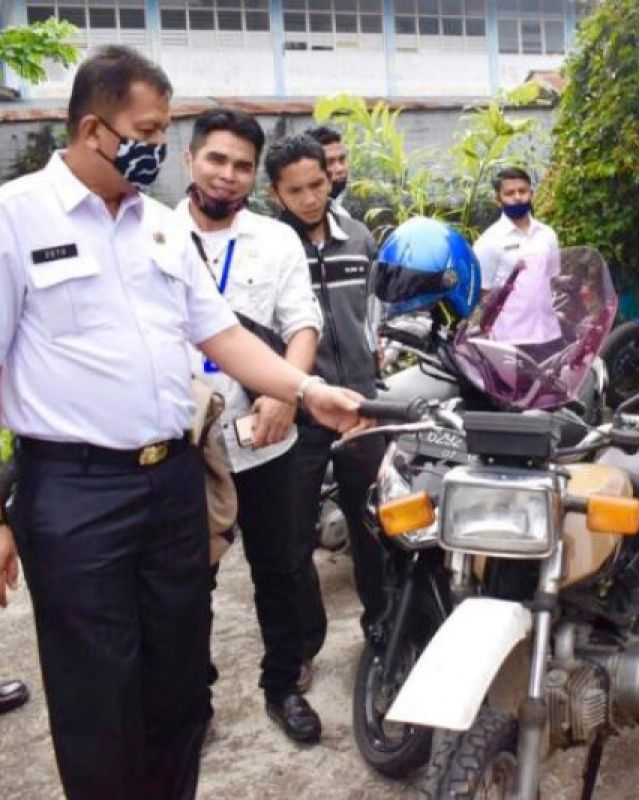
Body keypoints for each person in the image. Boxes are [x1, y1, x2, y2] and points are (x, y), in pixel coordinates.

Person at [0, 46, 362, 799]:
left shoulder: (158, 229)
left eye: (164, 132)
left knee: (176, 686)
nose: (157, 148)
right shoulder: (16, 218)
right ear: (94, 128)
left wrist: (305, 389)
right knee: (97, 692)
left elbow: (222, 335)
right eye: (149, 130)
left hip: (172, 483)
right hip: (74, 491)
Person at [175, 108, 326, 743]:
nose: (228, 176)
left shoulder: (275, 239)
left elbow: (301, 324)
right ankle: (190, 699)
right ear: (189, 160)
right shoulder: (150, 235)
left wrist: (287, 393)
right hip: (182, 445)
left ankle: (283, 684)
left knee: (284, 566)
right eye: (217, 159)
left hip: (265, 436)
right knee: (183, 579)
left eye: (242, 165)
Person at [264, 135, 386, 665]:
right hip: (296, 411)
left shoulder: (358, 237)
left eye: (318, 184)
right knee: (292, 542)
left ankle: (383, 633)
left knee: (376, 529)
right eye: (297, 190)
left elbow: (371, 309)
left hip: (361, 407)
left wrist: (374, 361)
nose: (311, 198)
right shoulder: (266, 248)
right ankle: (300, 654)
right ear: (275, 193)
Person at [472, 166, 563, 362]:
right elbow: (482, 295)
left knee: (553, 391)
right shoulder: (488, 242)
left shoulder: (547, 235)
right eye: (510, 193)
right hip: (509, 341)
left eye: (522, 191)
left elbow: (552, 280)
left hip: (549, 335)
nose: (518, 197)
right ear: (498, 200)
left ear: (531, 193)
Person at [304, 125, 350, 219]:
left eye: (342, 159)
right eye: (329, 162)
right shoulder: (304, 218)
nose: (340, 169)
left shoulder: (341, 214)